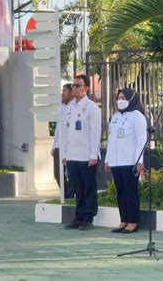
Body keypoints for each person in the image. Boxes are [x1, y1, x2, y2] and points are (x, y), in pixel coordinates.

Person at [62, 74, 102, 231]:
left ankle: (88, 217)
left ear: (86, 88)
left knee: (88, 188)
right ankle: (78, 217)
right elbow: (65, 132)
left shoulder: (92, 107)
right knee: (77, 188)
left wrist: (93, 154)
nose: (75, 88)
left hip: (86, 156)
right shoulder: (69, 108)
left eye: (78, 85)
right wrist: (64, 154)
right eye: (73, 85)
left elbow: (95, 132)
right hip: (72, 155)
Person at [105, 88, 147, 234]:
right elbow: (111, 139)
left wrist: (139, 160)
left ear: (131, 99)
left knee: (131, 192)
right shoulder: (115, 116)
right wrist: (107, 160)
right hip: (116, 161)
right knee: (120, 192)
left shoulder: (137, 116)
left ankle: (133, 221)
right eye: (118, 97)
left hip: (130, 161)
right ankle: (124, 220)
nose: (120, 100)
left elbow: (142, 139)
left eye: (123, 97)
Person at [51, 83, 74, 199]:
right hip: (60, 145)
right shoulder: (61, 107)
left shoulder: (75, 106)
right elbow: (58, 128)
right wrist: (54, 146)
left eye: (64, 91)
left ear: (71, 92)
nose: (62, 93)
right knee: (57, 172)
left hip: (71, 145)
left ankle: (69, 195)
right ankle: (66, 194)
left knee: (72, 173)